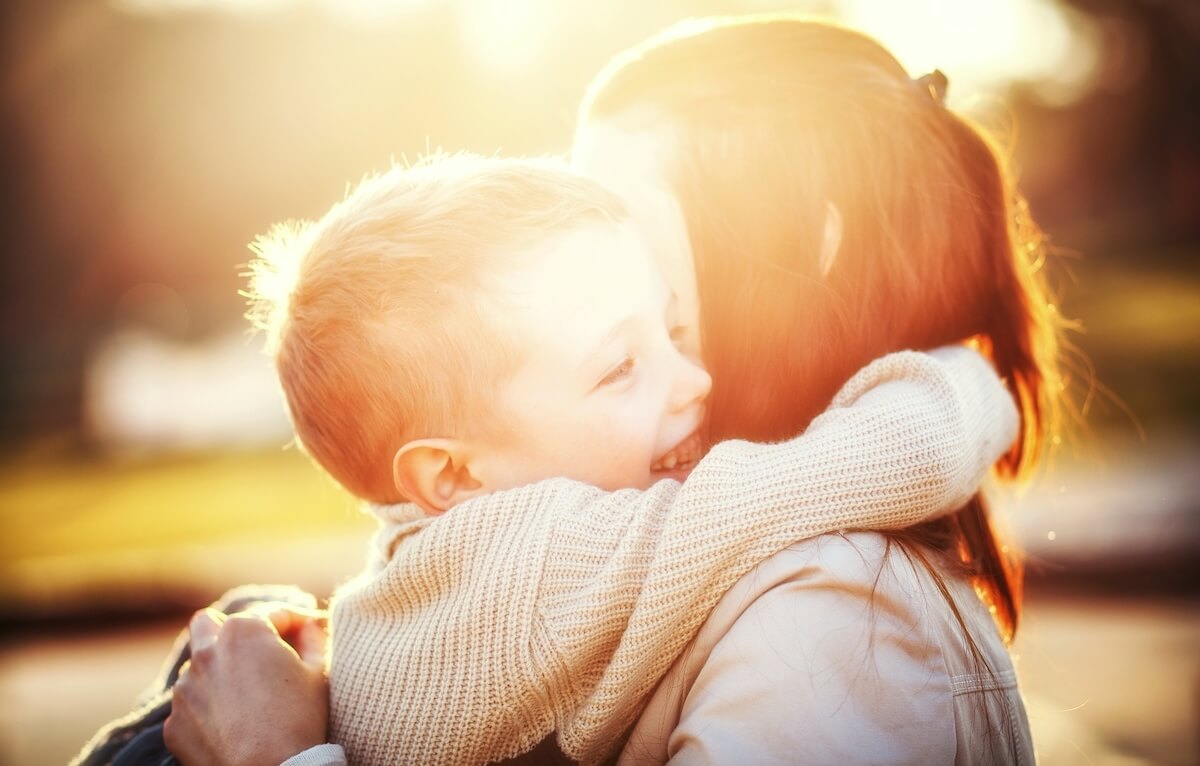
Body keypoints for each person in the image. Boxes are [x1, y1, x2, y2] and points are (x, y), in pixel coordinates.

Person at [162, 14, 1067, 766]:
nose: (593, 246)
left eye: (615, 206)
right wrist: (965, 376)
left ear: (800, 251)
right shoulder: (594, 548)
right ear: (447, 473)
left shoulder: (827, 612)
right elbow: (901, 444)